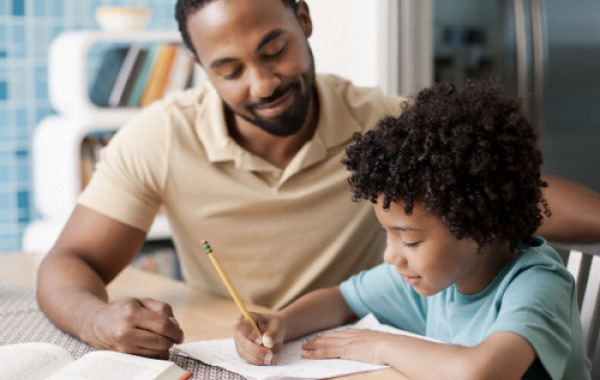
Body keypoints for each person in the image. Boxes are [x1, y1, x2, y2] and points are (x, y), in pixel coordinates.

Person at [36, 0, 600, 360]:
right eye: (228, 71)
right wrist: (99, 319)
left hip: (347, 356)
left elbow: (509, 190)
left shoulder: (383, 126)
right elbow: (68, 262)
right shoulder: (158, 136)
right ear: (200, 68)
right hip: (247, 349)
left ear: (303, 19)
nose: (260, 84)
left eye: (274, 50)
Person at [233, 81, 591, 380]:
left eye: (410, 239)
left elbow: (480, 373)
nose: (392, 255)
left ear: (479, 223)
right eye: (389, 235)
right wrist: (281, 321)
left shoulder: (537, 283)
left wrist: (379, 345)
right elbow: (341, 300)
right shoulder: (439, 277)